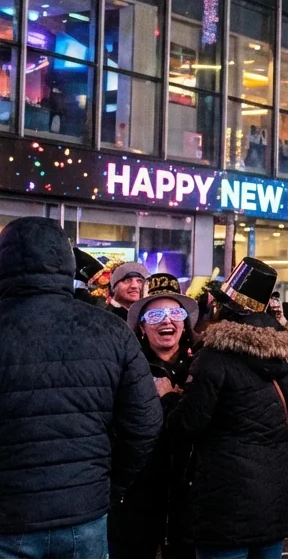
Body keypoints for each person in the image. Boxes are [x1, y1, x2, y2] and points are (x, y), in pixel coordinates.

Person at [0, 218, 163, 559]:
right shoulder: (110, 331)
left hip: (12, 515)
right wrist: (109, 484)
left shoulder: (112, 329)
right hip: (84, 511)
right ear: (67, 264)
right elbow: (146, 423)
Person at [165, 258, 288, 559]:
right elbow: (287, 417)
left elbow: (189, 425)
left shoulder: (215, 356)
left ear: (227, 308)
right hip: (275, 496)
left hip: (224, 502)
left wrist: (168, 398)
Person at [110, 274, 200, 559]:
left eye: (175, 313)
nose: (167, 321)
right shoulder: (127, 366)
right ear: (142, 326)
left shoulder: (202, 367)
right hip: (140, 490)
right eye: (156, 315)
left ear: (184, 323)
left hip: (189, 491)